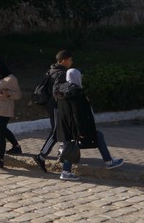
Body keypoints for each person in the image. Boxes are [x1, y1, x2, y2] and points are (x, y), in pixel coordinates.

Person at [52, 49, 125, 180]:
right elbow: (77, 113)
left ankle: (67, 171)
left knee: (72, 145)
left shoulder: (61, 93)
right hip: (77, 127)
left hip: (66, 127)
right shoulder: (75, 93)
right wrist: (81, 130)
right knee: (91, 138)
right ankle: (108, 162)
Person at [0, 55, 23, 167]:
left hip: (5, 109)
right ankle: (16, 146)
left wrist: (8, 94)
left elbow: (19, 95)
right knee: (1, 129)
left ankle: (0, 159)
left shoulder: (11, 79)